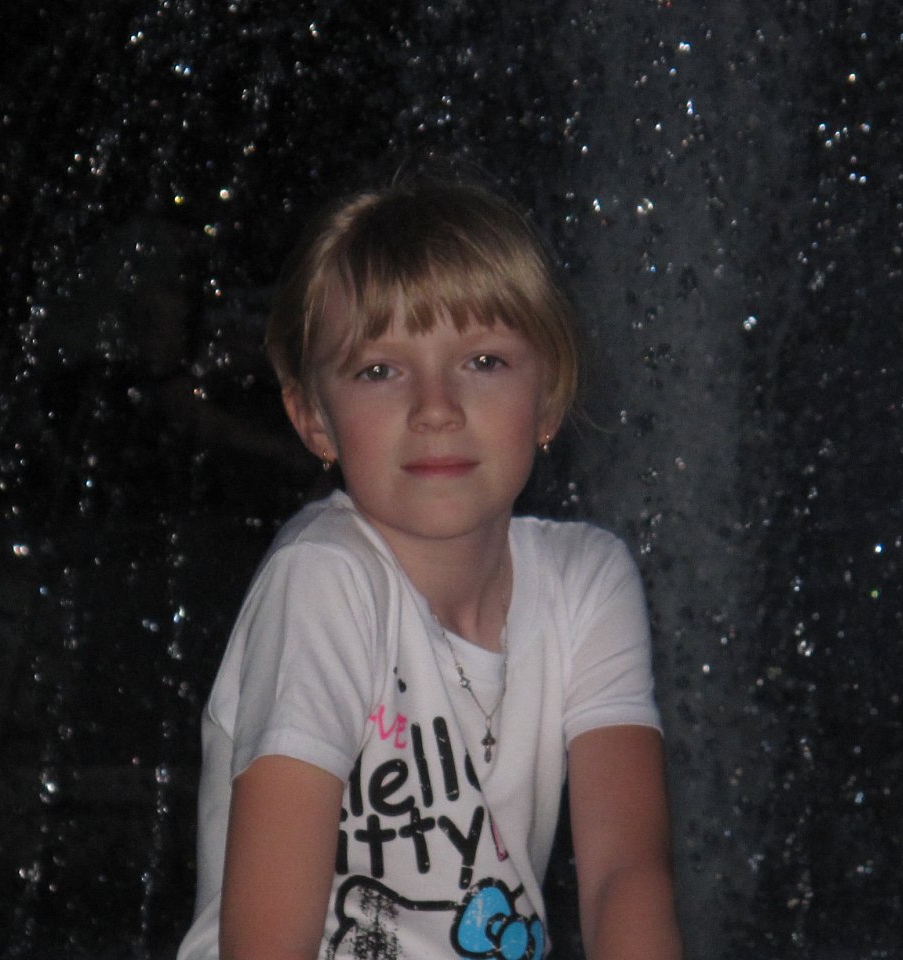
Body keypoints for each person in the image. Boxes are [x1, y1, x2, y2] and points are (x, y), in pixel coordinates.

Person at [177, 175, 683, 960]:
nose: (436, 407)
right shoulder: (324, 581)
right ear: (313, 417)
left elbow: (626, 872)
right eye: (380, 370)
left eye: (483, 360)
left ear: (549, 396)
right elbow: (266, 937)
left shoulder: (586, 581)